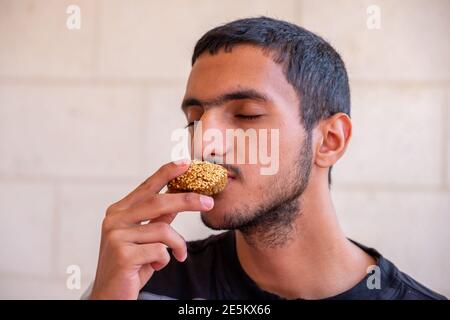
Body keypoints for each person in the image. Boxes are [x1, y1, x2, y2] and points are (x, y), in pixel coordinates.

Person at [87, 17, 446, 300]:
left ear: (330, 141)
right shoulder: (146, 283)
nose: (205, 143)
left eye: (246, 115)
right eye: (194, 120)